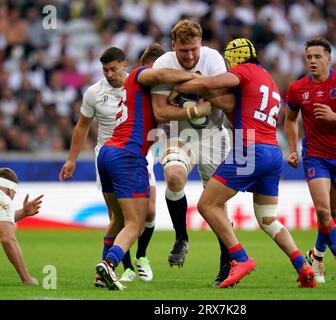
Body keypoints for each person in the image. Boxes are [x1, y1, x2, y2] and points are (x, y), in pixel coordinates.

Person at [169, 38, 316, 289]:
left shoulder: (242, 71)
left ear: (233, 59)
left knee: (207, 204)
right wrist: (211, 96)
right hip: (272, 151)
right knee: (268, 219)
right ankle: (303, 266)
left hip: (250, 148)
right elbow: (231, 104)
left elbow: (208, 83)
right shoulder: (266, 78)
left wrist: (180, 85)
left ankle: (240, 258)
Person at [95, 43, 211, 290]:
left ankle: (100, 274)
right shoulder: (143, 74)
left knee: (117, 218)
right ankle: (109, 265)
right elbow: (158, 75)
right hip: (127, 156)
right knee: (134, 224)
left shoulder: (141, 90)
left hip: (108, 153)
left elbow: (164, 109)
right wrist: (195, 77)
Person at [59, 47, 155, 285]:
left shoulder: (140, 84)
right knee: (121, 216)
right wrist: (71, 159)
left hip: (138, 154)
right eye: (105, 70)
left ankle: (135, 259)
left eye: (113, 69)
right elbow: (81, 126)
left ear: (125, 65)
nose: (109, 74)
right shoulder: (94, 92)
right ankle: (122, 266)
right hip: (109, 155)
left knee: (147, 212)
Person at [151, 19, 233, 286]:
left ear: (201, 44)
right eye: (183, 50)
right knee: (174, 176)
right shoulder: (162, 64)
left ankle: (227, 264)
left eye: (194, 49)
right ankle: (181, 237)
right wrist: (195, 107)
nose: (190, 55)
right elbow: (161, 112)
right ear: (173, 45)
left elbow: (226, 101)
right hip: (176, 134)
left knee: (218, 204)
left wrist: (185, 87)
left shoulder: (213, 59)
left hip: (213, 135)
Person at [284, 38, 336, 284]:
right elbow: (289, 120)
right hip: (314, 156)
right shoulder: (298, 88)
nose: (312, 61)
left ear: (329, 59)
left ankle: (317, 255)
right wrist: (292, 149)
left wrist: (334, 117)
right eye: (308, 56)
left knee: (331, 212)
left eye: (317, 56)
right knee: (322, 210)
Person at [0, 167, 44, 285]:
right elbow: (8, 239)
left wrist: (23, 212)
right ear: (10, 190)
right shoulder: (4, 198)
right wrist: (27, 279)